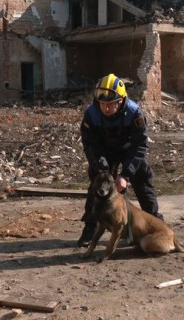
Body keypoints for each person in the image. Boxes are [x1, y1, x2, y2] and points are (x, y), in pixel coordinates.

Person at [77, 73, 163, 247]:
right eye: (102, 104)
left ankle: (157, 226)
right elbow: (89, 143)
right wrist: (100, 166)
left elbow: (140, 145)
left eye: (110, 104)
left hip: (128, 150)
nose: (106, 108)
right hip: (103, 151)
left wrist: (126, 174)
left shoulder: (134, 113)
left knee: (143, 180)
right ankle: (90, 228)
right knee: (97, 185)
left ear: (121, 101)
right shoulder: (91, 114)